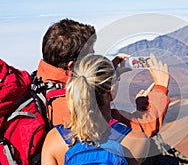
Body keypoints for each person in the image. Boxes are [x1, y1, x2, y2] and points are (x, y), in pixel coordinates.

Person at [39, 53, 169, 165]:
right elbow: (140, 126)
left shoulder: (54, 141)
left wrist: (103, 76)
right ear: (112, 90)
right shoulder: (137, 141)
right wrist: (160, 88)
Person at [37, 18, 170, 137]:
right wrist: (160, 88)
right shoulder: (77, 106)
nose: (94, 58)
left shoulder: (40, 84)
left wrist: (107, 74)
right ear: (72, 66)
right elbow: (138, 130)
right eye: (90, 56)